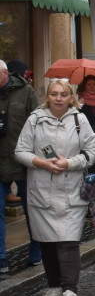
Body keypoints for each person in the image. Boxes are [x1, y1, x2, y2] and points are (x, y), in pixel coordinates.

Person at [14, 78, 95, 296]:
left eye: (63, 94)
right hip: (42, 190)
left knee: (69, 241)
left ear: (71, 98)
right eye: (54, 94)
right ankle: (53, 285)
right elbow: (20, 151)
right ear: (47, 97)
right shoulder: (35, 119)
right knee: (47, 241)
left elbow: (92, 152)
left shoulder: (79, 120)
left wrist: (69, 163)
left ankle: (70, 290)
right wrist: (41, 162)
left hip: (72, 189)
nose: (58, 98)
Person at [0, 59, 42, 272]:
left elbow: (39, 125)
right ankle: (1, 258)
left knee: (31, 209)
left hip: (23, 161)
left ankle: (37, 250)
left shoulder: (26, 92)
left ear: (5, 73)